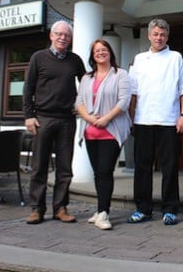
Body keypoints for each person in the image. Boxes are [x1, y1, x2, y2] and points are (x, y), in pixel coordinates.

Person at [128, 18, 183, 226]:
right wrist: (130, 117)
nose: (159, 38)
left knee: (170, 167)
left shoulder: (175, 58)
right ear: (149, 35)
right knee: (142, 167)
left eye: (163, 35)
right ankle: (142, 208)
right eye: (155, 34)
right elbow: (133, 92)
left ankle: (170, 209)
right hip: (143, 119)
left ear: (167, 36)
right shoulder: (139, 59)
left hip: (169, 120)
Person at [23, 20, 86, 225]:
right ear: (51, 36)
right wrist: (28, 116)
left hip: (67, 119)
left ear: (70, 38)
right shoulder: (38, 58)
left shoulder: (75, 60)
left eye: (66, 35)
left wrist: (80, 105)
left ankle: (60, 208)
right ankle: (37, 209)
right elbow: (28, 88)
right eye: (59, 34)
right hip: (42, 118)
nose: (62, 38)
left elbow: (85, 85)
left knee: (64, 167)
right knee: (39, 166)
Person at [75, 39, 132, 230]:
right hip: (91, 132)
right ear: (92, 55)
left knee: (106, 170)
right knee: (98, 173)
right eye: (97, 50)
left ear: (110, 52)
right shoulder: (86, 78)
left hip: (111, 131)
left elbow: (124, 101)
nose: (100, 53)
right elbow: (79, 103)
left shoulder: (120, 74)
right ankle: (100, 210)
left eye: (104, 49)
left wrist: (106, 119)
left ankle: (104, 213)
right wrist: (91, 120)